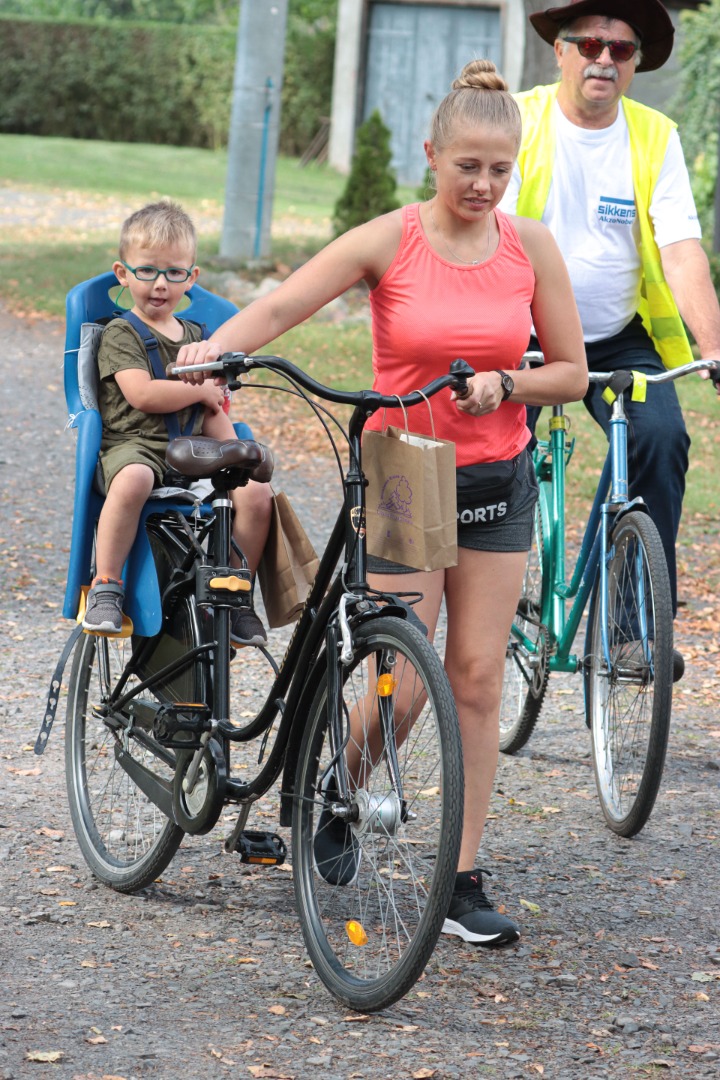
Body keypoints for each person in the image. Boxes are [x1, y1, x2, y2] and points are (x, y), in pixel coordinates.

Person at [175, 60, 587, 946]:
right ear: (432, 156)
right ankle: (338, 782)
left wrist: (509, 384)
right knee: (402, 682)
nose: (482, 184)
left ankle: (464, 876)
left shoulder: (530, 247)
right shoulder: (389, 240)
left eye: (499, 170)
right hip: (405, 466)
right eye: (466, 165)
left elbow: (571, 373)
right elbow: (287, 301)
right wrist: (216, 350)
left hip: (495, 475)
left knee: (475, 681)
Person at [500, 0, 720, 680]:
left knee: (658, 439)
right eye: (590, 43)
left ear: (634, 66)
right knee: (494, 462)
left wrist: (712, 345)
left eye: (621, 50)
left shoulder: (655, 137)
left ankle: (628, 635)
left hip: (619, 338)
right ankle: (495, 605)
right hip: (521, 334)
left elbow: (681, 250)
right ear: (560, 52)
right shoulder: (519, 119)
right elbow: (484, 235)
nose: (604, 58)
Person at [83, 200, 272, 644]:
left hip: (190, 452)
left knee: (258, 495)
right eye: (147, 271)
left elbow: (212, 413)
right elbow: (142, 394)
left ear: (192, 278)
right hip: (134, 446)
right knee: (132, 480)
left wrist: (235, 456)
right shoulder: (121, 333)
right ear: (123, 273)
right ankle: (107, 585)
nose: (160, 284)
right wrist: (201, 391)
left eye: (174, 272)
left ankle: (235, 592)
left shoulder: (198, 341)